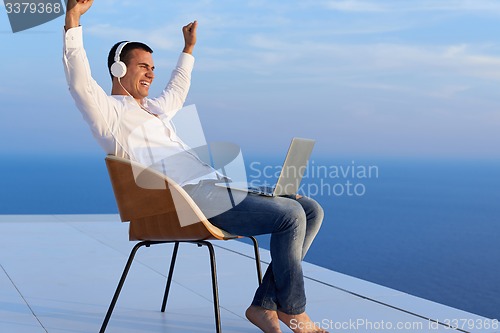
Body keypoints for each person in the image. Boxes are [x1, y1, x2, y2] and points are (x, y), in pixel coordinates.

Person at [63, 1, 327, 332]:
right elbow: (78, 82)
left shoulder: (155, 110)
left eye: (152, 67)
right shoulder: (110, 115)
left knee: (310, 208)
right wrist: (72, 20)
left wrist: (188, 49)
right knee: (290, 216)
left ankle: (265, 306)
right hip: (186, 204)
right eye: (143, 66)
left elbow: (177, 88)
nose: (151, 73)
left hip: (214, 190)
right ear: (118, 69)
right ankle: (293, 310)